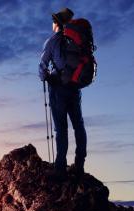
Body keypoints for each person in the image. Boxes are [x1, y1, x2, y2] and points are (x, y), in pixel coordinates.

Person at [38, 7, 87, 178]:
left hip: (58, 89)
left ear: (56, 24)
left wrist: (45, 76)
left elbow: (42, 66)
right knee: (78, 126)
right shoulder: (77, 42)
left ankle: (60, 168)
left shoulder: (52, 41)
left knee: (61, 129)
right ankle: (79, 166)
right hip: (75, 88)